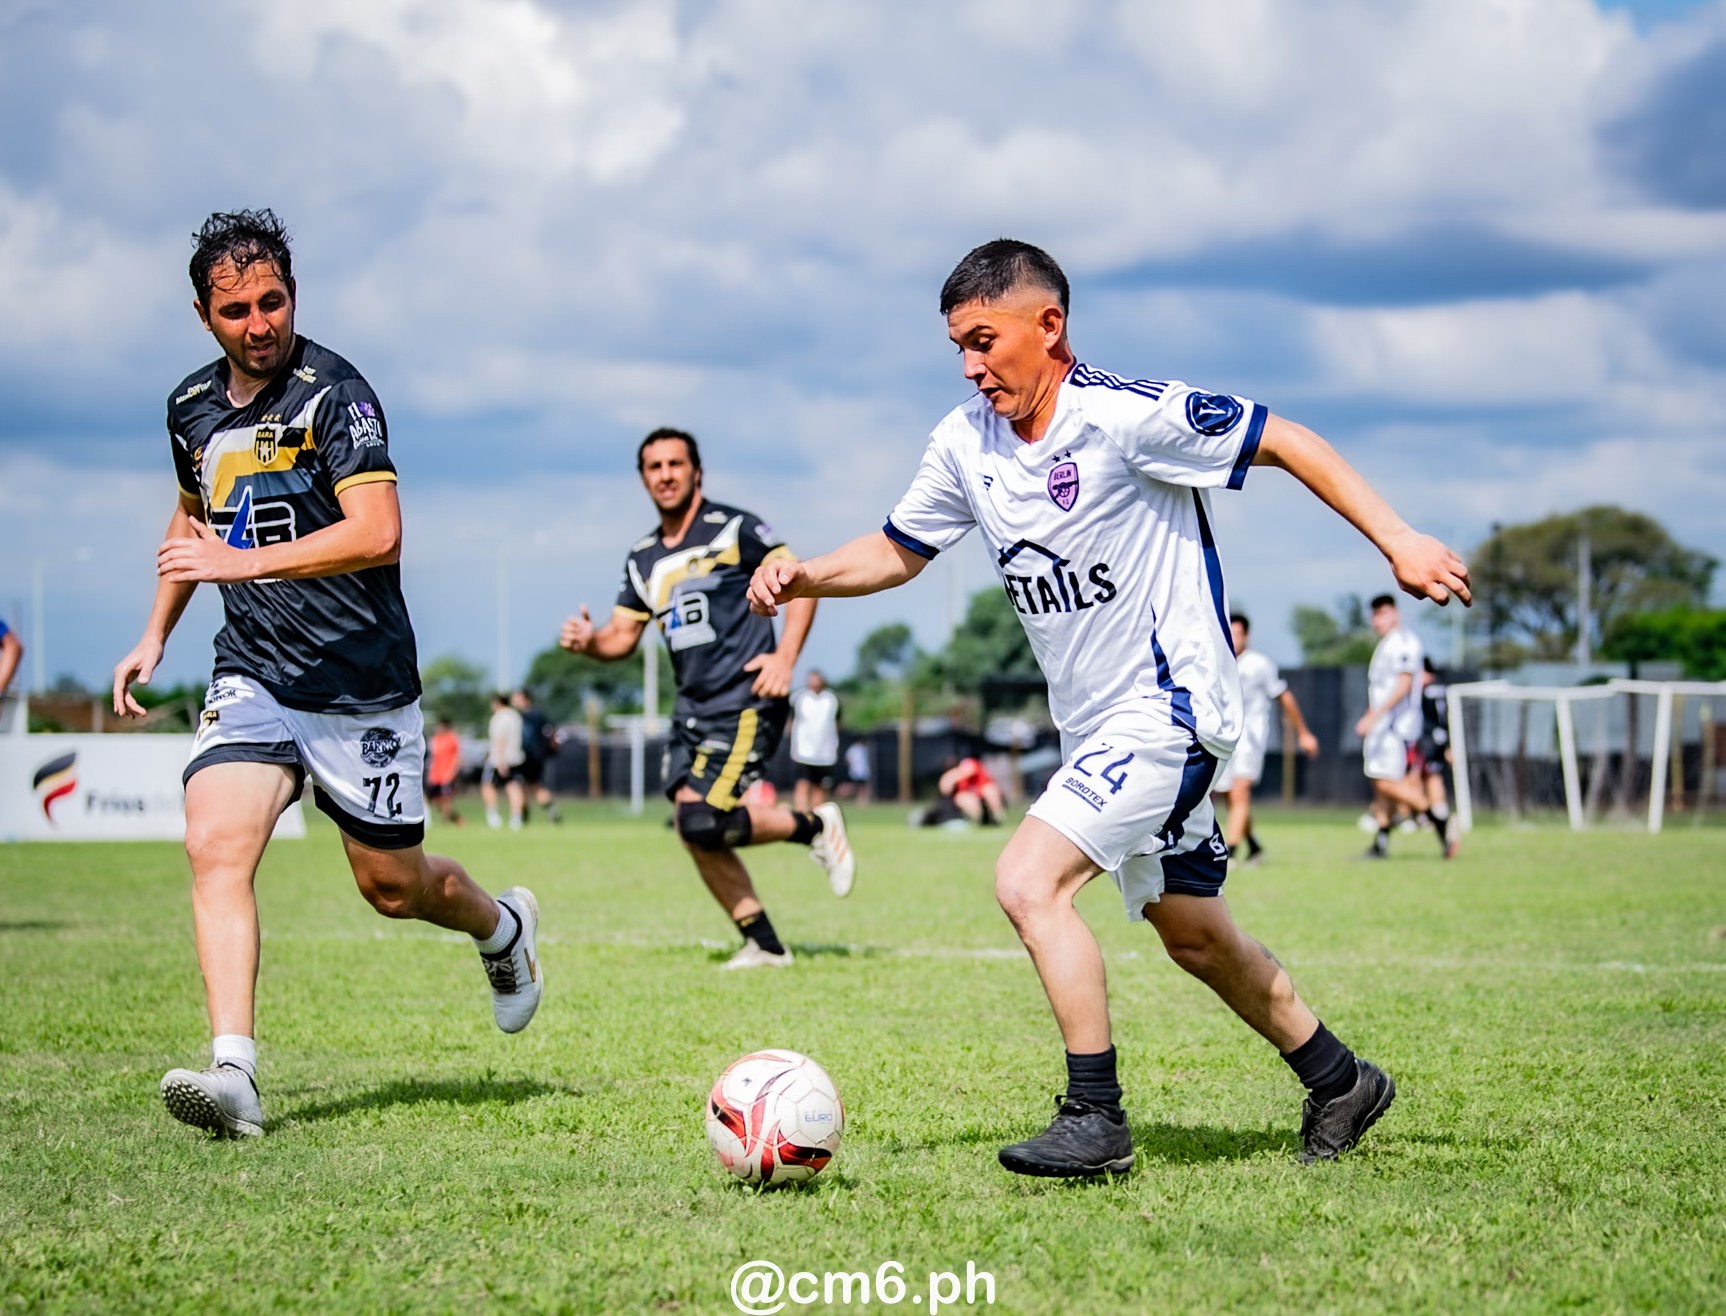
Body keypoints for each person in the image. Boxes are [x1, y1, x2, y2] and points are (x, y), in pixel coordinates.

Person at [749, 239, 1470, 1175]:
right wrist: (806, 573)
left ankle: (1096, 1118)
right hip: (1097, 728)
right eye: (958, 347)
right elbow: (898, 549)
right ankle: (1341, 1081)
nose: (970, 366)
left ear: (1048, 325)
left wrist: (1399, 537)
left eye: (983, 340)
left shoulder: (1126, 416)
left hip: (1170, 710)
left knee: (1027, 882)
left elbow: (1286, 439)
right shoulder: (964, 442)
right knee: (1193, 934)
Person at [112, 210, 540, 1139]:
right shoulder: (189, 406)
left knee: (393, 888)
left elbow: (378, 532)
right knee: (214, 845)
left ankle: (502, 928)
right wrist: (154, 634)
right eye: (236, 311)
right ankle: (235, 1074)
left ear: (293, 295)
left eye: (272, 302)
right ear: (204, 316)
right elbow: (193, 519)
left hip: (359, 680)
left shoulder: (336, 393)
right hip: (253, 669)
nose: (259, 323)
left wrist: (241, 563)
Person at [560, 427, 856, 969]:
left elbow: (799, 583)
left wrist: (785, 658)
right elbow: (621, 637)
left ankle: (815, 826)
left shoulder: (734, 529)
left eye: (675, 464)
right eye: (654, 467)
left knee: (699, 819)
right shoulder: (642, 558)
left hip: (745, 699)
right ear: (643, 478)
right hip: (690, 709)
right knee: (693, 827)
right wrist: (589, 642)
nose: (666, 475)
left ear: (696, 472)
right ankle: (765, 945)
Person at [1211, 612, 1319, 865]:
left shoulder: (1259, 664)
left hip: (1250, 738)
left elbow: (1284, 696)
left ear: (1247, 636)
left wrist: (1303, 733)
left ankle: (1230, 854)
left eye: (1238, 634)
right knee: (1230, 796)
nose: (1233, 639)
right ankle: (1254, 846)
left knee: (1240, 791)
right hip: (1224, 737)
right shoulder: (1217, 662)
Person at [1357, 595, 1455, 859]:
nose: (1378, 620)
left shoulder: (1403, 643)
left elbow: (1403, 685)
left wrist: (1374, 716)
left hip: (1395, 727)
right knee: (1380, 783)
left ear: (1396, 613)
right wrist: (1371, 714)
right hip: (1383, 725)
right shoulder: (1386, 644)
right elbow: (1381, 689)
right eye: (1375, 614)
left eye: (1383, 613)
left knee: (1386, 783)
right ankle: (1380, 843)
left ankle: (1438, 819)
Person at [789, 670, 842, 811]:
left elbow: (838, 723)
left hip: (825, 753)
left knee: (821, 788)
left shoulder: (832, 699)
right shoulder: (799, 698)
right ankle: (802, 817)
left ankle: (816, 818)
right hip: (802, 752)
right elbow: (790, 723)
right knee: (802, 785)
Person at [511, 687, 563, 823]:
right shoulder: (538, 714)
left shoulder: (526, 716)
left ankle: (520, 816)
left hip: (526, 757)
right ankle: (550, 809)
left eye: (517, 698)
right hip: (537, 757)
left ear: (526, 699)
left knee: (517, 785)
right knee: (533, 786)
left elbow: (527, 739)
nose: (514, 702)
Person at [1416, 659, 1455, 833]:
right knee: (1431, 774)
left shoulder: (1424, 691)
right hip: (1441, 738)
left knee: (1427, 775)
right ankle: (1434, 813)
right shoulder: (1443, 688)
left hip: (1428, 739)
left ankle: (1434, 815)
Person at [483, 691, 526, 830]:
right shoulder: (515, 716)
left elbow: (500, 740)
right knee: (513, 787)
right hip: (515, 758)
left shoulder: (499, 717)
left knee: (488, 786)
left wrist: (500, 761)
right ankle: (516, 817)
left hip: (499, 759)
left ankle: (493, 815)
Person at [938, 754, 1006, 825]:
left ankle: (997, 815)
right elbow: (945, 789)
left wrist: (954, 775)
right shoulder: (954, 779)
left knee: (989, 789)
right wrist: (947, 778)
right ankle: (978, 819)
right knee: (962, 798)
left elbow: (970, 769)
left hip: (983, 796)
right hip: (972, 799)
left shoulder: (966, 763)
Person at [427, 716, 465, 825]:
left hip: (447, 774)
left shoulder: (452, 738)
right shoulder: (436, 739)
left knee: (445, 799)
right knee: (436, 800)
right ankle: (455, 819)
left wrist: (453, 773)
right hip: (435, 775)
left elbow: (458, 757)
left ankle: (452, 820)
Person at [843, 737, 873, 805]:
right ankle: (859, 799)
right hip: (856, 771)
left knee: (863, 786)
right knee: (858, 786)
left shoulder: (864, 748)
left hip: (863, 771)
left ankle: (863, 799)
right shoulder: (854, 749)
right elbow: (847, 759)